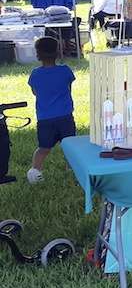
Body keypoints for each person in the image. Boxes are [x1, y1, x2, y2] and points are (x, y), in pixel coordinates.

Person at [26, 37, 76, 184]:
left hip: (45, 119)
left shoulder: (35, 74)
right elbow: (69, 88)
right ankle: (73, 169)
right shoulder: (65, 71)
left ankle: (35, 172)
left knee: (43, 148)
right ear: (58, 52)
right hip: (65, 117)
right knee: (70, 146)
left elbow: (35, 92)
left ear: (38, 54)